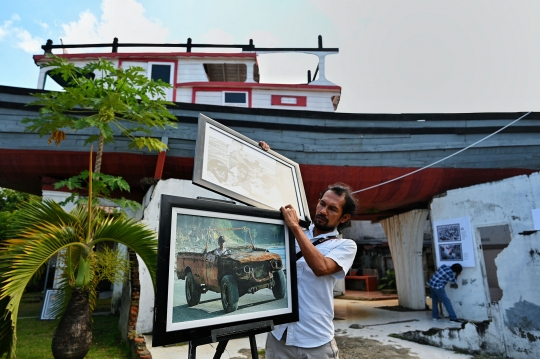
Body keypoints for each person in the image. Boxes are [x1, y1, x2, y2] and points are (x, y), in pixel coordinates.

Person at [265, 183, 358, 359]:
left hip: (316, 340)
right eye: (322, 204)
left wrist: (294, 228)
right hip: (280, 336)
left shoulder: (345, 246)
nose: (323, 211)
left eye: (332, 209)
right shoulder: (291, 230)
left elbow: (321, 267)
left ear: (344, 217)